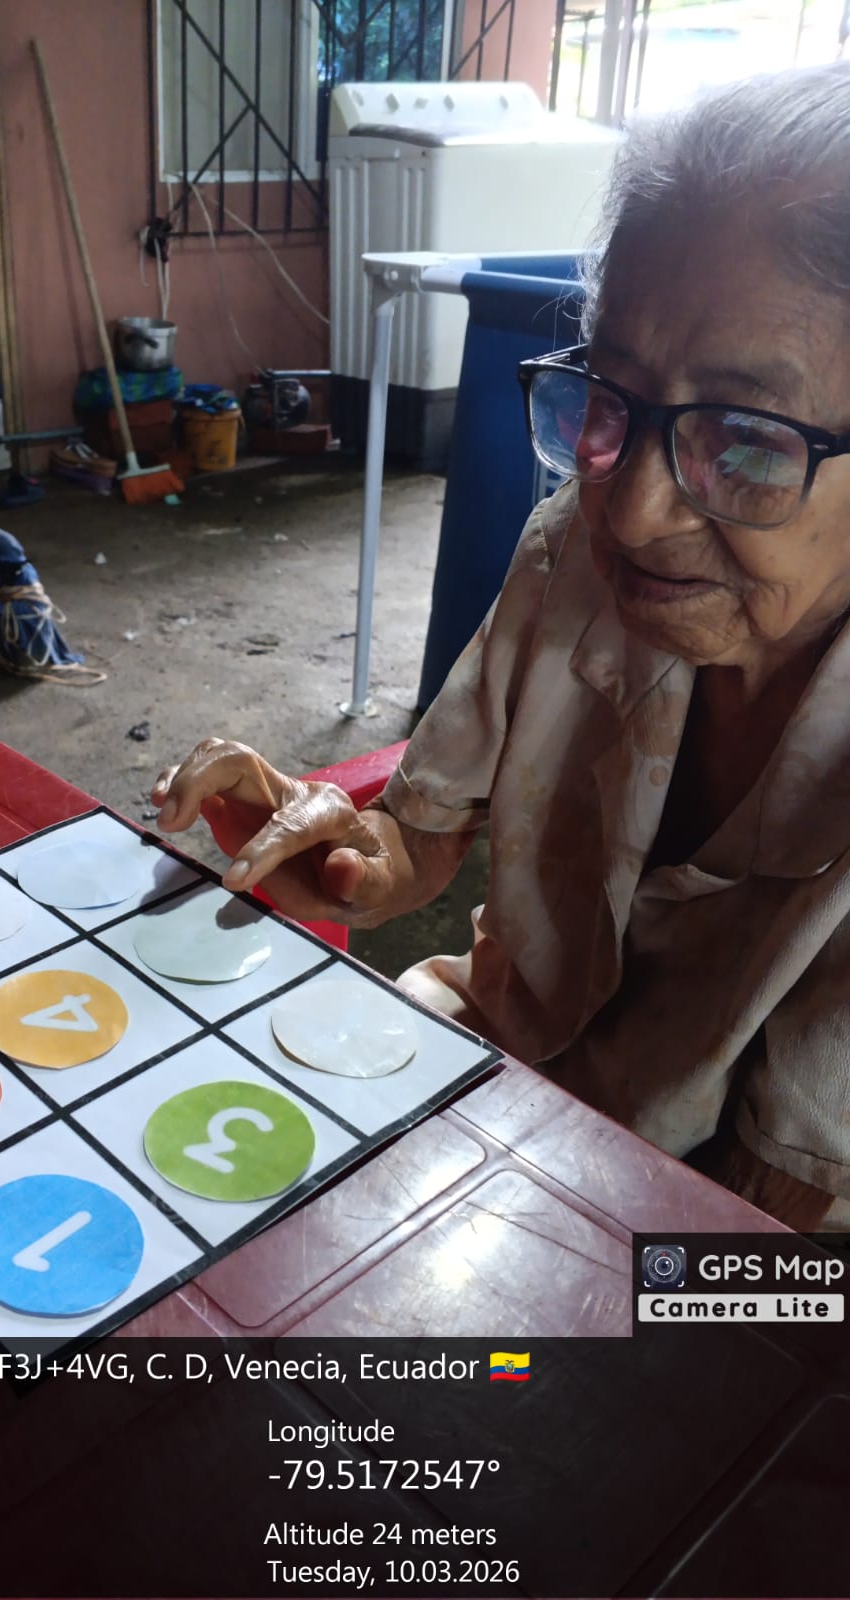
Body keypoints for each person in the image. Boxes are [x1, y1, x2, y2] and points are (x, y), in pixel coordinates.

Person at [151, 64, 850, 1230]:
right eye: (611, 398)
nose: (633, 511)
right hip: (490, 1082)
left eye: (745, 440)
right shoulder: (573, 549)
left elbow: (778, 1236)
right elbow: (419, 838)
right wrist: (343, 849)